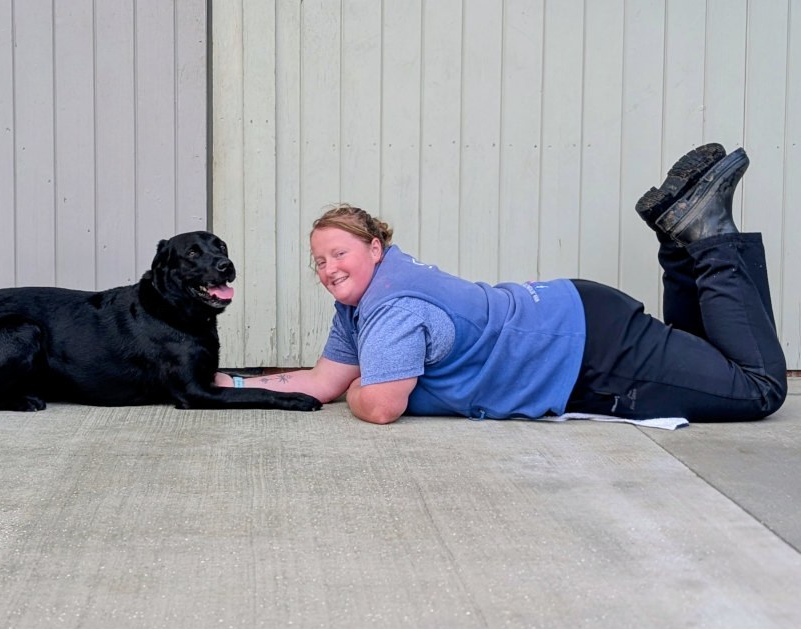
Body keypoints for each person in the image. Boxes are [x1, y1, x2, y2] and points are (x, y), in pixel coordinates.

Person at [216, 144, 788, 426]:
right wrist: (231, 382)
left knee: (759, 390)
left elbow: (382, 405)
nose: (327, 269)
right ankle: (679, 234)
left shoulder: (393, 306)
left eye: (338, 253)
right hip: (576, 323)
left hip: (587, 350)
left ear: (374, 248)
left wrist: (364, 386)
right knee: (712, 356)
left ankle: (705, 234)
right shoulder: (366, 302)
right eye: (318, 261)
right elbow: (321, 381)